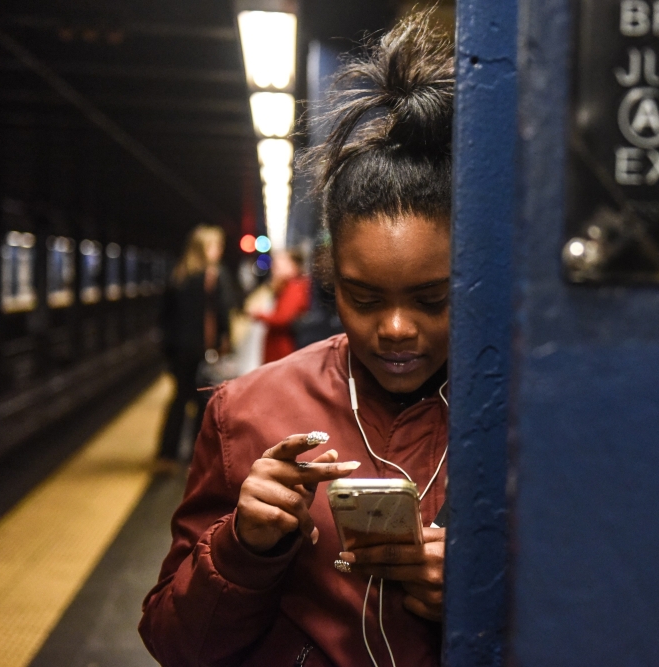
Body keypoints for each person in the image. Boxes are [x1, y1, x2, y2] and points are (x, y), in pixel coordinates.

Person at [139, 12, 453, 666]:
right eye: (364, 298)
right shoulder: (248, 413)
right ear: (330, 281)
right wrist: (243, 544)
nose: (396, 328)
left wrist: (485, 596)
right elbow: (173, 642)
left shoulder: (525, 421)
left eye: (433, 299)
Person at [155, 225, 235, 470]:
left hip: (179, 351)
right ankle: (196, 456)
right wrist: (225, 340)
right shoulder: (214, 275)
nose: (219, 251)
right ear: (205, 248)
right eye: (216, 246)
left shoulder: (178, 274)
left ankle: (166, 454)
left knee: (179, 399)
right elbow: (222, 312)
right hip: (203, 351)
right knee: (203, 402)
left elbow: (163, 318)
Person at [254, 248, 312, 363]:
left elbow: (283, 318)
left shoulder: (296, 287)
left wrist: (259, 315)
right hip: (278, 347)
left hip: (283, 348)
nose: (275, 268)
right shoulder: (285, 286)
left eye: (280, 264)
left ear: (293, 265)